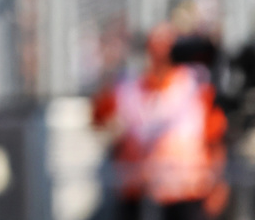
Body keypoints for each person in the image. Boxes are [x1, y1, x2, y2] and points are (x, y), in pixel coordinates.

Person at [92, 24, 227, 220]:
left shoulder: (197, 89)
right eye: (156, 45)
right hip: (138, 195)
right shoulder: (127, 89)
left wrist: (218, 187)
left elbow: (215, 140)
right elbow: (98, 118)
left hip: (187, 194)